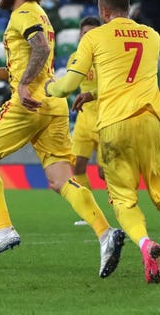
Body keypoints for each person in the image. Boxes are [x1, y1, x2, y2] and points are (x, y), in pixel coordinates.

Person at [0, 0, 126, 279]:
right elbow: (36, 59)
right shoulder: (39, 14)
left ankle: (4, 229)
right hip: (53, 104)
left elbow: (38, 48)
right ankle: (105, 232)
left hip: (28, 104)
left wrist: (23, 85)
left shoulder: (24, 13)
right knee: (60, 180)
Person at [46, 0, 160, 284]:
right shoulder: (152, 36)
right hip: (150, 121)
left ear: (103, 12)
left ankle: (145, 244)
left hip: (115, 125)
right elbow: (129, 74)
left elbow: (66, 86)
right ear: (128, 9)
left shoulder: (94, 36)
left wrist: (48, 88)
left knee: (123, 201)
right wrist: (94, 95)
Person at [65, 16, 103, 226]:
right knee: (77, 166)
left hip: (104, 118)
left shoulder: (107, 57)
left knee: (104, 173)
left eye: (92, 33)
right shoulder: (74, 58)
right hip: (83, 120)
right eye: (84, 33)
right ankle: (90, 214)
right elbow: (70, 84)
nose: (87, 37)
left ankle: (123, 206)